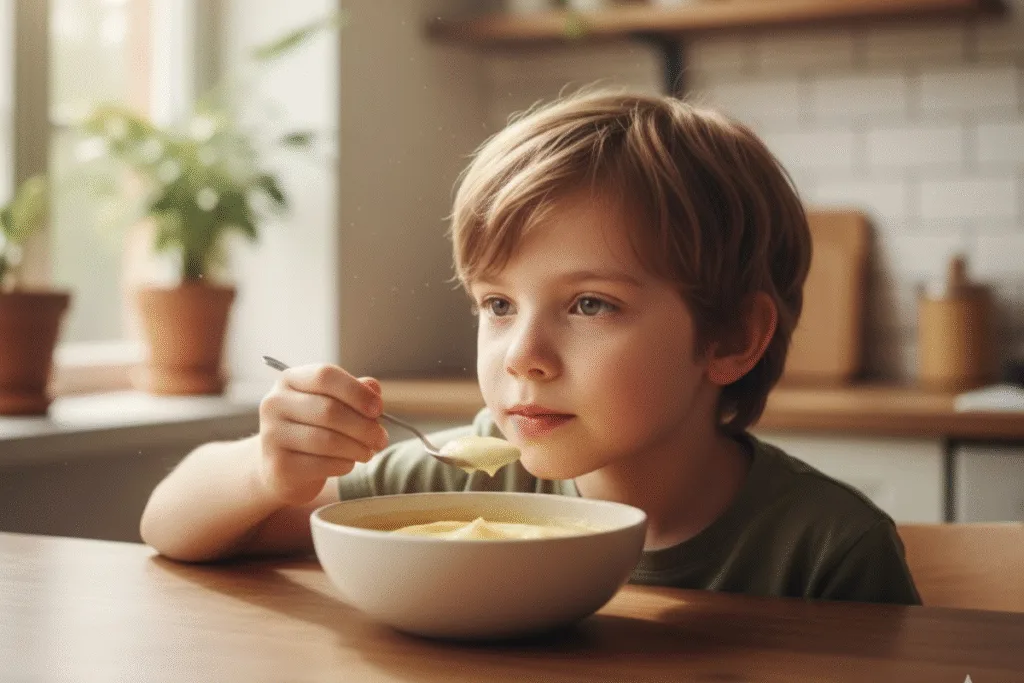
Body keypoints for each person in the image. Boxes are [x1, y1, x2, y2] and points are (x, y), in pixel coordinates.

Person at [140, 89, 921, 605]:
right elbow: (168, 525)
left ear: (731, 338)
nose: (522, 353)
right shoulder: (468, 481)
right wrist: (267, 467)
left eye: (589, 304)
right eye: (498, 303)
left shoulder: (830, 552)